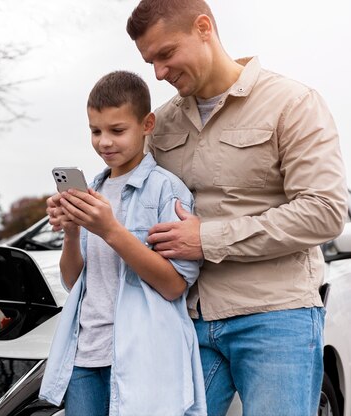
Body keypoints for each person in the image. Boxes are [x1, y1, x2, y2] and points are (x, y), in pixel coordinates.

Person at [125, 1, 348, 415]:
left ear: (204, 28)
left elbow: (325, 211)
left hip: (275, 319)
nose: (158, 72)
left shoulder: (292, 103)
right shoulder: (163, 124)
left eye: (166, 54)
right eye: (149, 61)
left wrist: (206, 238)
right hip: (185, 322)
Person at [39, 71, 206, 415]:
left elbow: (174, 285)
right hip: (84, 355)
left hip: (141, 360)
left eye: (117, 130)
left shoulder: (166, 190)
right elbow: (75, 282)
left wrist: (110, 230)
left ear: (147, 124)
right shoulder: (93, 193)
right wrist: (71, 231)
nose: (104, 142)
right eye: (95, 131)